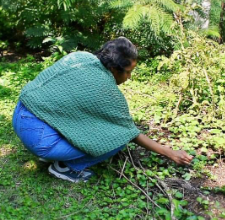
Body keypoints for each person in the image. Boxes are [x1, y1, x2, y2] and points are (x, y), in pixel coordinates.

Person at [12, 37, 193, 183]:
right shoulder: (105, 89)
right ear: (114, 69)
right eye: (128, 72)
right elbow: (129, 132)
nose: (129, 77)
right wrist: (169, 152)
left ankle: (53, 151)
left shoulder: (82, 57)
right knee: (118, 138)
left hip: (20, 114)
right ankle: (65, 167)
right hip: (39, 140)